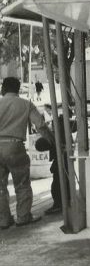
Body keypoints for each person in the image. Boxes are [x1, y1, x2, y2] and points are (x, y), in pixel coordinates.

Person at [0, 77, 54, 228]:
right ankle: (23, 217)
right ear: (18, 89)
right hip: (14, 146)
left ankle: (3, 220)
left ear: (3, 89)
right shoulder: (26, 104)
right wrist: (53, 142)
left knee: (0, 187)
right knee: (22, 183)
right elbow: (41, 126)